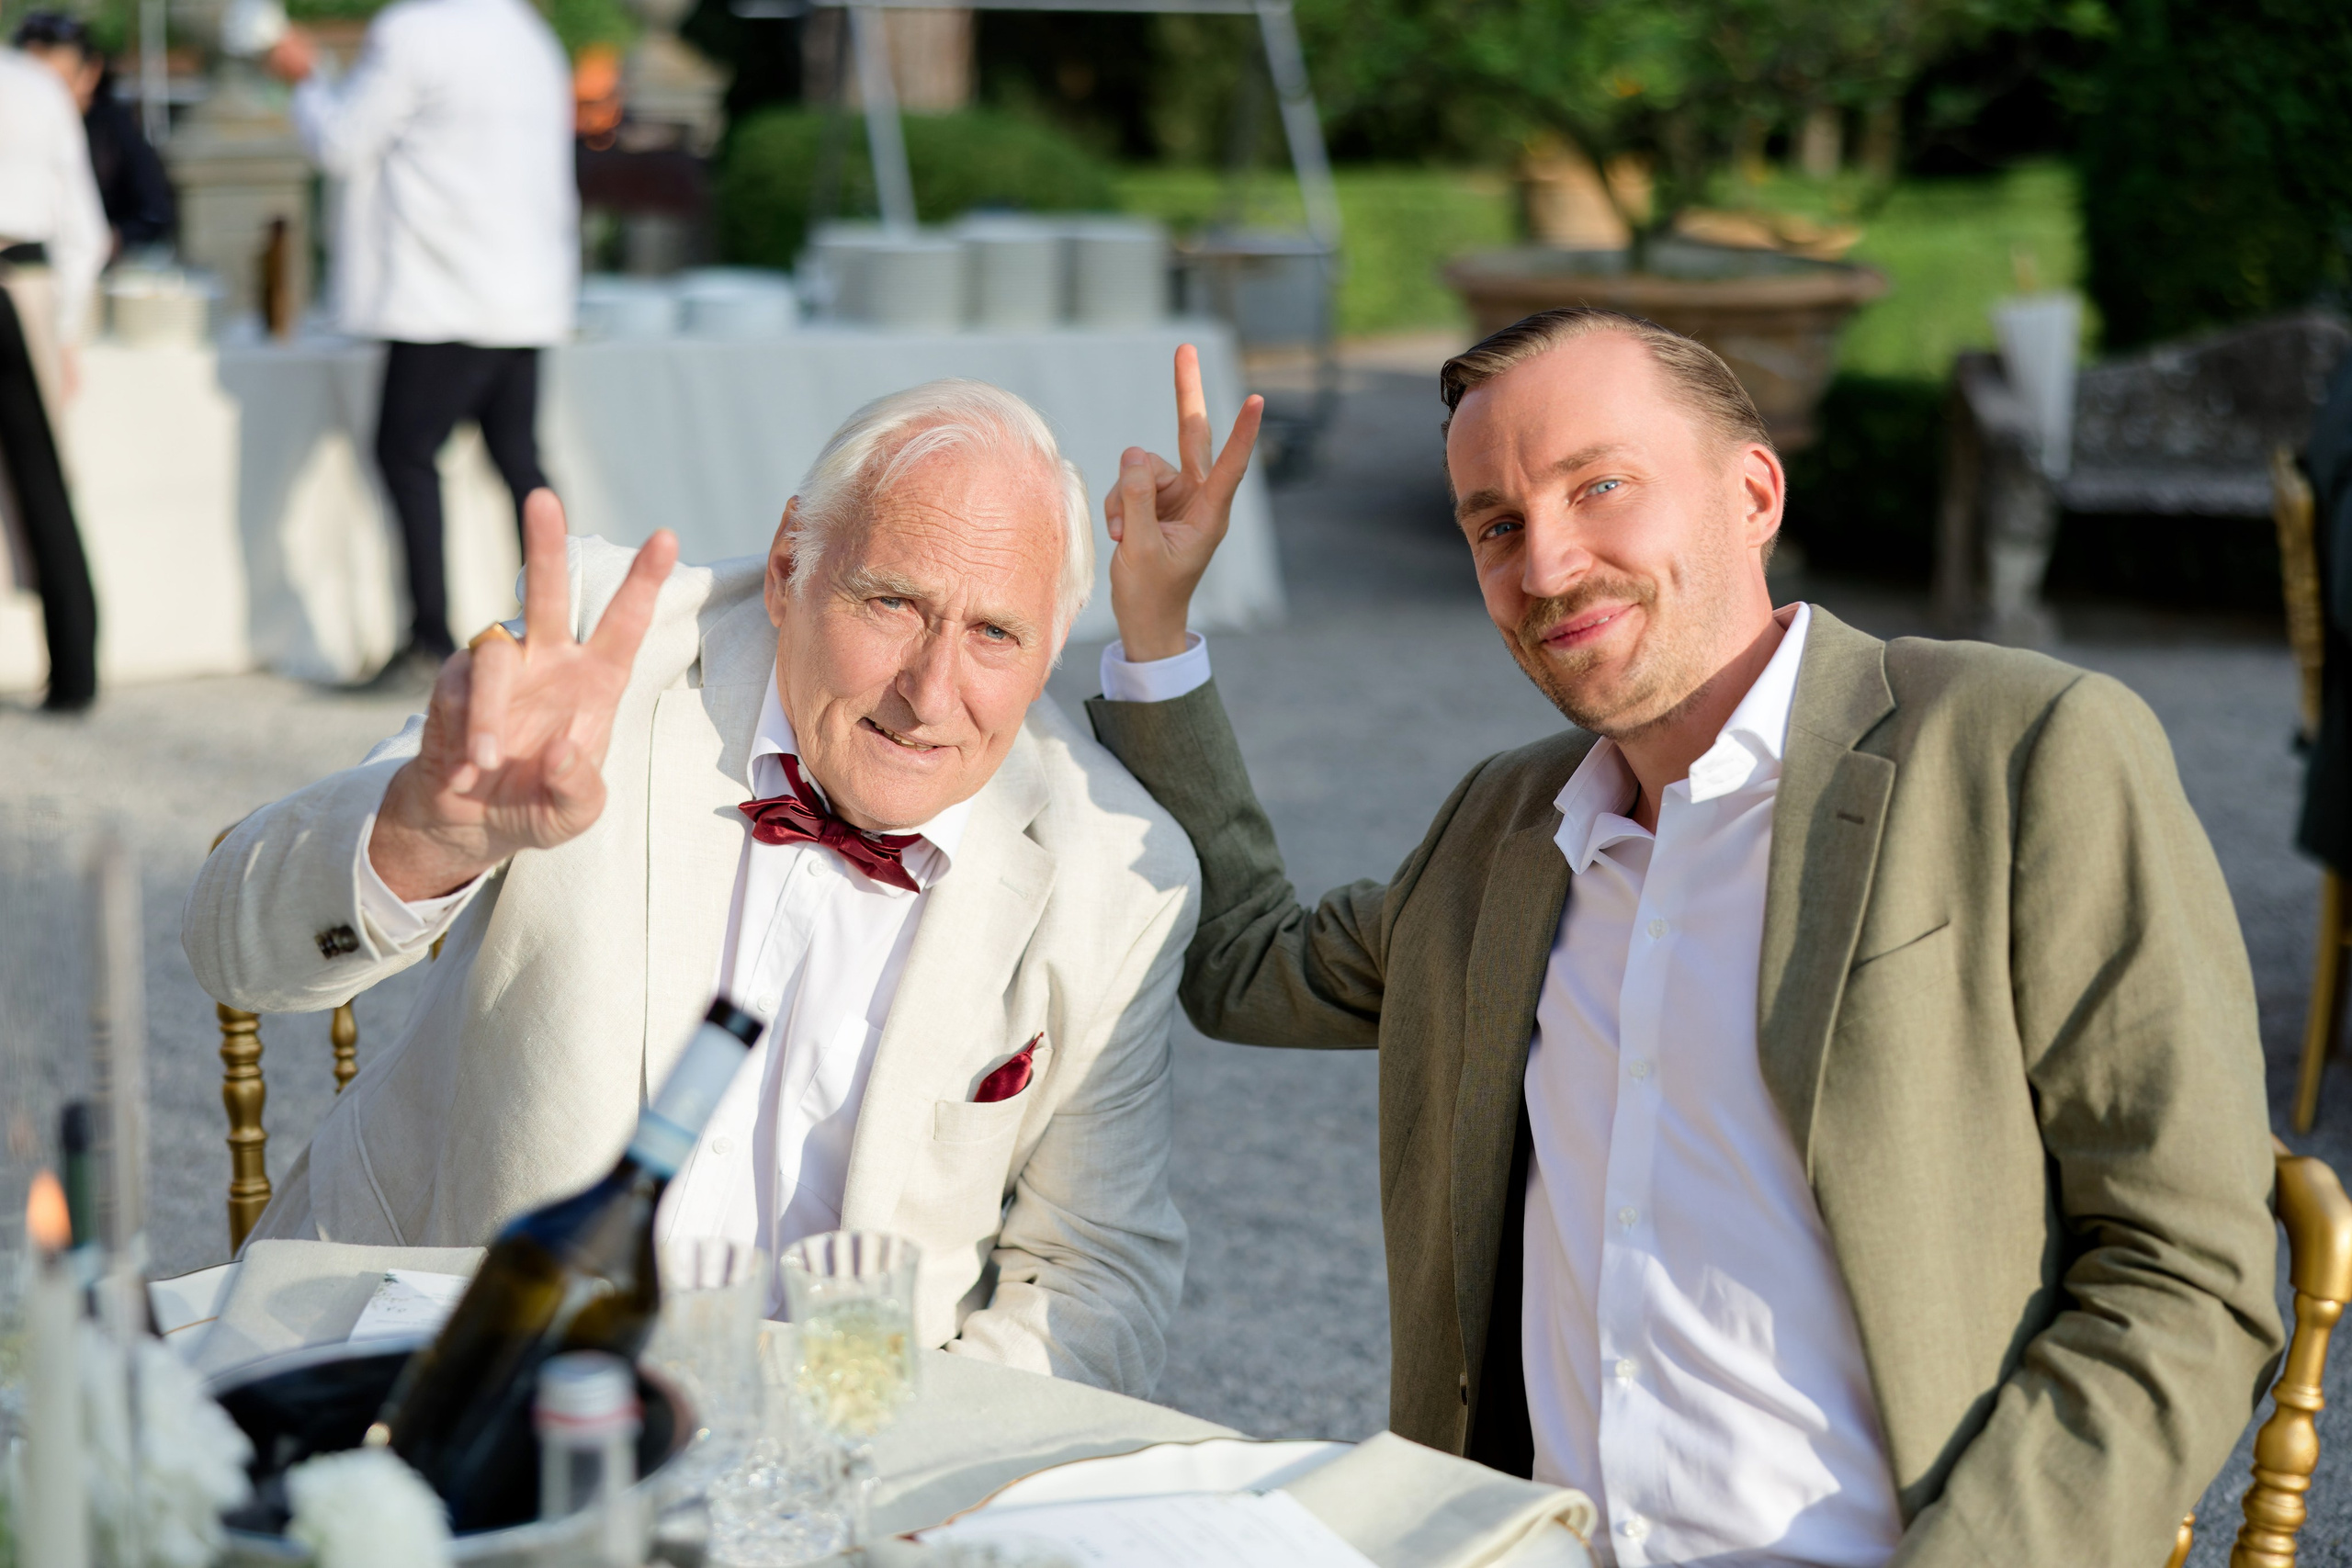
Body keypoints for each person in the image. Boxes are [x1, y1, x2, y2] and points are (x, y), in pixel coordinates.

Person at [1087, 319, 2280, 1561]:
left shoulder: (2018, 750)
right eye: (1495, 524)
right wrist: (1158, 624)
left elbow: (2186, 1270)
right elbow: (1242, 962)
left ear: (1752, 490)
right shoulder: (1504, 830)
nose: (1545, 565)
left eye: (1598, 486)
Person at [185, 380, 1204, 1393]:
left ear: (1049, 647)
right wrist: (422, 831)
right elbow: (235, 950)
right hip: (440, 1360)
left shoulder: (1113, 876)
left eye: (994, 634)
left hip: (822, 1444)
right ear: (786, 568)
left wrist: (883, 1455)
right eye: (892, 602)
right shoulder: (602, 655)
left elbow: (1094, 1273)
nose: (931, 694)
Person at [266, 0, 575, 684]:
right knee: (519, 462)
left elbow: (341, 144)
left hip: (442, 291)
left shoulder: (412, 31)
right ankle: (563, 630)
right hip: (523, 291)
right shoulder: (529, 33)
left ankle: (426, 638)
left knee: (406, 456)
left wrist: (304, 78)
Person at [0, 26, 104, 712]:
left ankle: (73, 668)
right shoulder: (36, 84)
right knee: (43, 483)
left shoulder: (33, 82)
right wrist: (64, 329)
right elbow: (85, 230)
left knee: (41, 484)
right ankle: (74, 673)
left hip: (22, 276)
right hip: (23, 284)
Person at [12, 13, 175, 254]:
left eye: (57, 85)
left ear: (91, 73)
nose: (43, 101)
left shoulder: (113, 126)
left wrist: (109, 240)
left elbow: (155, 212)